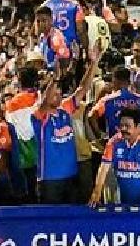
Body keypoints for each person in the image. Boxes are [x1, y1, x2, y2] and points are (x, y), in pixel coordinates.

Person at [32, 48, 98, 203]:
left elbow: (83, 88)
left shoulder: (65, 109)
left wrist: (94, 63)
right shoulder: (39, 116)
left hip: (71, 176)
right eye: (54, 94)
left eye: (60, 93)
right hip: (50, 180)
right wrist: (55, 79)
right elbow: (45, 102)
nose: (59, 96)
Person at [89, 107, 140, 211]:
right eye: (121, 125)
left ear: (138, 126)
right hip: (124, 203)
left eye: (127, 126)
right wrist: (96, 193)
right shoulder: (114, 142)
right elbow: (103, 168)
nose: (123, 129)